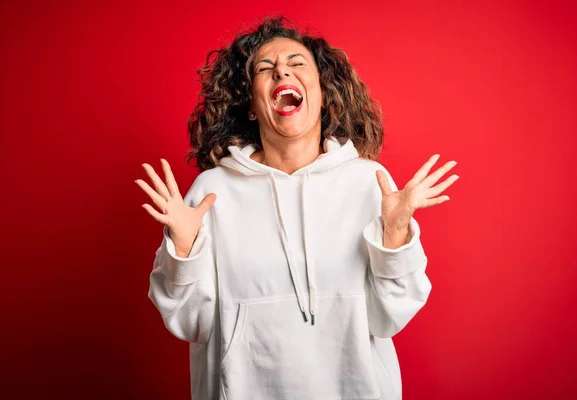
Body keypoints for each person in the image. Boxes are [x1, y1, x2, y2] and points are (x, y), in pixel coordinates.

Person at [135, 16, 458, 400]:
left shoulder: (368, 182)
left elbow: (389, 317)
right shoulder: (212, 192)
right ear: (252, 105)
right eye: (265, 68)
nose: (282, 70)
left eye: (296, 63)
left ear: (322, 95)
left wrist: (395, 236)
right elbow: (192, 323)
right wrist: (184, 252)